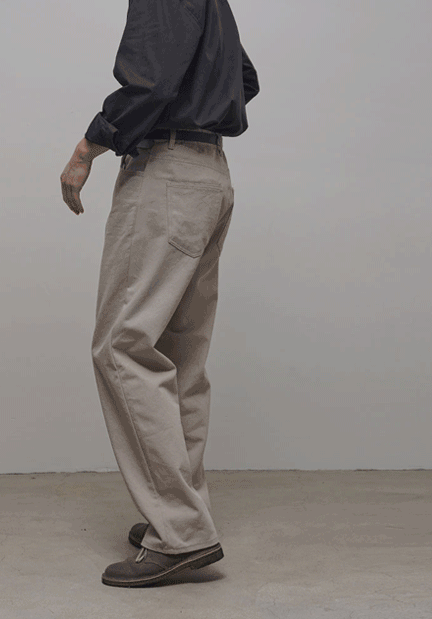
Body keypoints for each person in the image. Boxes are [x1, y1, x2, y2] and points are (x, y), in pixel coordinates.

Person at [60, 0, 259, 587]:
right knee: (180, 359)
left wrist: (86, 148)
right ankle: (184, 516)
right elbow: (244, 78)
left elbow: (150, 80)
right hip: (210, 173)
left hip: (167, 174)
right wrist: (201, 108)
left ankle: (179, 531)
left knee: (123, 347)